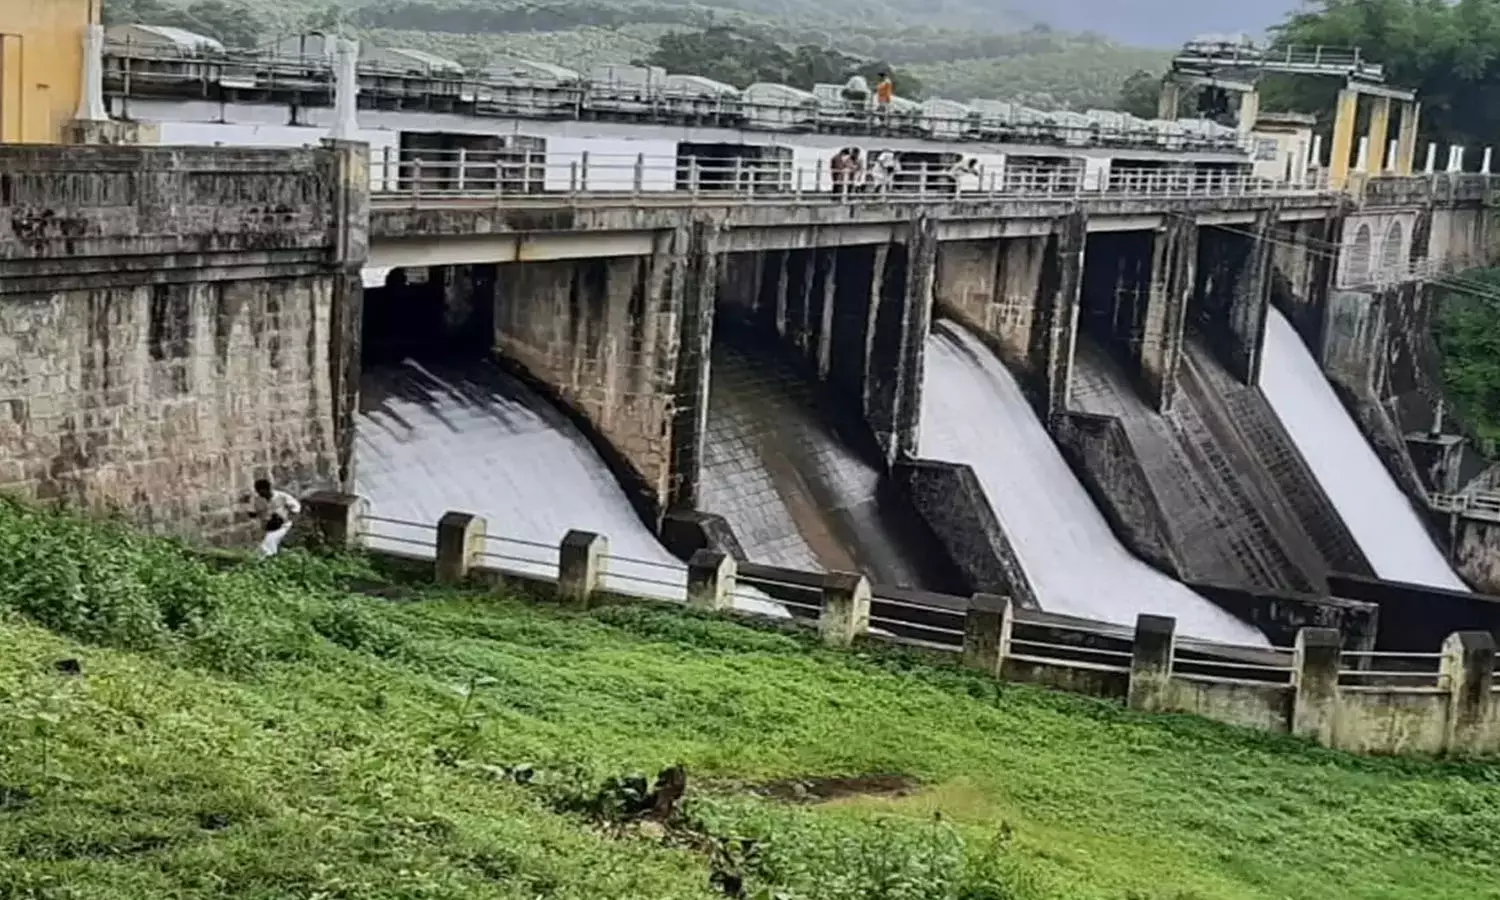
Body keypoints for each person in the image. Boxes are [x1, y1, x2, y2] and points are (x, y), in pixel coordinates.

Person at [252, 477, 301, 558]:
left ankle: (269, 559)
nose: (260, 494)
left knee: (268, 544)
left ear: (267, 489)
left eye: (261, 491)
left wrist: (289, 519)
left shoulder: (281, 496)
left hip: (282, 526)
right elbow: (258, 512)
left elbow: (296, 507)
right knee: (267, 544)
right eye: (258, 492)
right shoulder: (258, 500)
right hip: (268, 527)